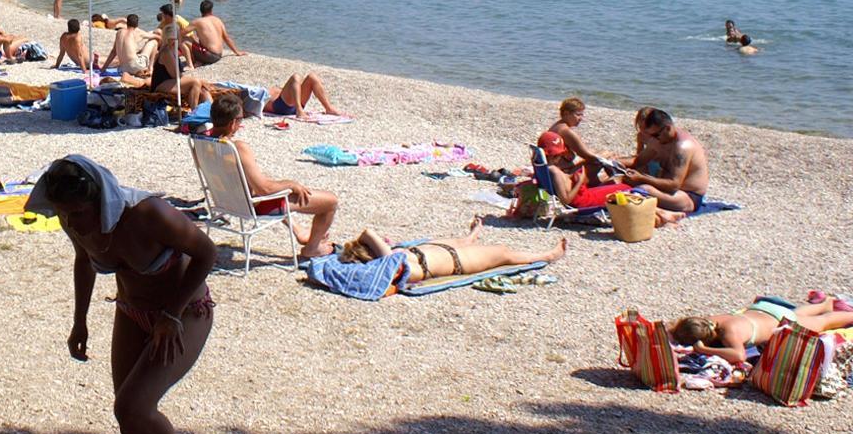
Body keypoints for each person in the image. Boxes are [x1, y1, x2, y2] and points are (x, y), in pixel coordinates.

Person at [27, 156, 216, 434]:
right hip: (131, 311)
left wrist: (171, 314)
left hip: (184, 312)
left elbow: (207, 253)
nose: (71, 223)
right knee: (127, 418)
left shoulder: (148, 213)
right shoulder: (70, 217)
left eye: (78, 213)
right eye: (65, 214)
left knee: (135, 408)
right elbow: (84, 260)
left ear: (99, 201)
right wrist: (79, 322)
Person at [208, 93, 337, 258]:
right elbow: (264, 190)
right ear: (233, 123)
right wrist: (291, 184)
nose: (241, 124)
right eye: (241, 119)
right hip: (253, 205)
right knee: (331, 201)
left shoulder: (202, 143)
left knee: (268, 182)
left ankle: (299, 232)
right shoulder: (237, 148)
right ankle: (312, 248)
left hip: (224, 200)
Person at [338, 218, 567, 288]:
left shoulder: (394, 257)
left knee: (454, 242)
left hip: (437, 249)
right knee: (503, 252)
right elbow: (368, 231)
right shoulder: (393, 262)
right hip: (457, 261)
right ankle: (547, 256)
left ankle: (469, 238)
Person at [671, 297, 853, 366]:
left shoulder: (728, 333)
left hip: (779, 321)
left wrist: (705, 350)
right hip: (764, 310)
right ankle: (824, 303)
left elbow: (738, 355)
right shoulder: (710, 321)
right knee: (796, 314)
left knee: (822, 323)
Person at [623, 109, 709, 213]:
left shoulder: (682, 147)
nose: (653, 139)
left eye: (655, 135)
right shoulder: (659, 139)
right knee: (624, 179)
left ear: (667, 128)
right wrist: (615, 162)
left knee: (643, 190)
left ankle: (666, 215)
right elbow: (639, 161)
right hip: (667, 189)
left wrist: (641, 178)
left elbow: (674, 185)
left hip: (688, 196)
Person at [537, 131, 632, 209]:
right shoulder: (554, 171)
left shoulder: (544, 167)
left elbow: (563, 181)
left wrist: (577, 170)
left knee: (619, 183)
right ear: (555, 155)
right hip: (583, 201)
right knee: (626, 187)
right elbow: (565, 200)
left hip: (585, 194)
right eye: (560, 154)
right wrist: (580, 181)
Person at [150, 5, 209, 105]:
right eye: (178, 35)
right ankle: (193, 111)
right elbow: (175, 75)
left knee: (202, 87)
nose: (180, 36)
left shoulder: (172, 49)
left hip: (169, 81)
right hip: (161, 85)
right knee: (196, 82)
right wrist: (195, 80)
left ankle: (210, 109)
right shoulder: (166, 52)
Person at [184, 0, 246, 66]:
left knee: (184, 40)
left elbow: (181, 33)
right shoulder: (218, 20)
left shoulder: (197, 22)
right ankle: (199, 61)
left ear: (200, 11)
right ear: (211, 10)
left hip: (210, 56)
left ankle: (191, 64)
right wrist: (237, 52)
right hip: (219, 55)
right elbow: (226, 38)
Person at [263, 72, 342, 119]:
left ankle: (329, 108)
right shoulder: (263, 93)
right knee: (295, 77)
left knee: (312, 76)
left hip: (294, 103)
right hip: (281, 106)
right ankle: (299, 111)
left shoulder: (271, 90)